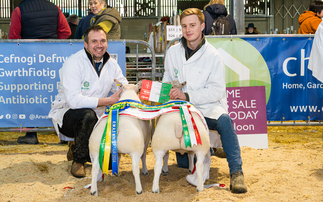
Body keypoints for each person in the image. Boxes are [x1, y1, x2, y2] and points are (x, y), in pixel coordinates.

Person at [162, 8, 247, 193]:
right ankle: (208, 150)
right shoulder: (172, 52)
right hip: (181, 111)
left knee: (225, 120)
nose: (188, 30)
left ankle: (237, 173)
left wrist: (188, 95)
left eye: (192, 25)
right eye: (184, 26)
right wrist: (166, 91)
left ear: (202, 26)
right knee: (184, 164)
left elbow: (217, 91)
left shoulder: (213, 55)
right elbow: (167, 78)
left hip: (206, 108)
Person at [48, 25, 128, 178]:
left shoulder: (111, 63)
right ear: (86, 44)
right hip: (68, 116)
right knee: (87, 115)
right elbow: (73, 101)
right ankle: (78, 160)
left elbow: (121, 85)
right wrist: (108, 100)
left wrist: (130, 89)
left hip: (97, 118)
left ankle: (79, 146)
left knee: (110, 163)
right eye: (94, 41)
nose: (99, 45)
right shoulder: (73, 63)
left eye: (103, 41)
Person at [8, 0, 71, 145]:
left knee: (31, 93)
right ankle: (63, 134)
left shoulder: (19, 10)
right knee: (57, 92)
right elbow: (66, 31)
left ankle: (31, 134)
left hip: (29, 59)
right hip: (53, 58)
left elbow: (13, 37)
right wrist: (51, 44)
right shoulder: (54, 8)